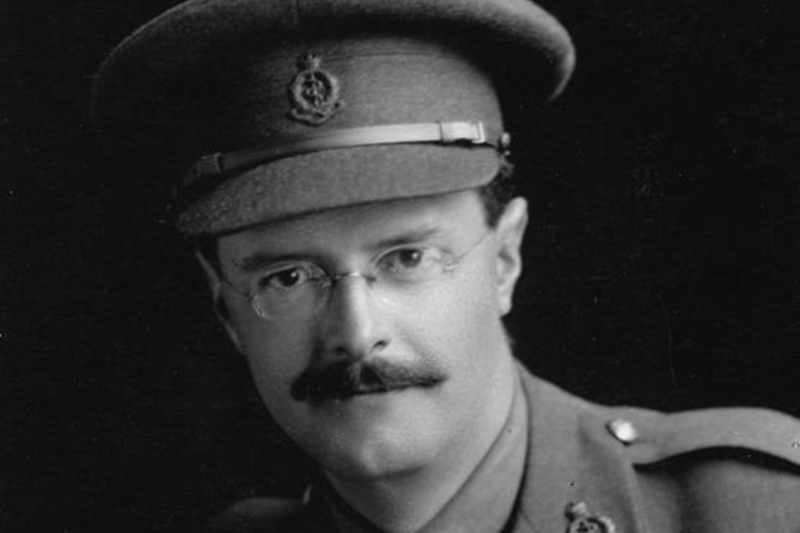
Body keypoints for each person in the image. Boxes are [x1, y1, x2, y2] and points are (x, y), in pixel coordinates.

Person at [91, 0, 800, 531]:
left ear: (505, 259)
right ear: (227, 311)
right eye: (288, 277)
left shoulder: (751, 509)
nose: (356, 332)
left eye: (407, 257)